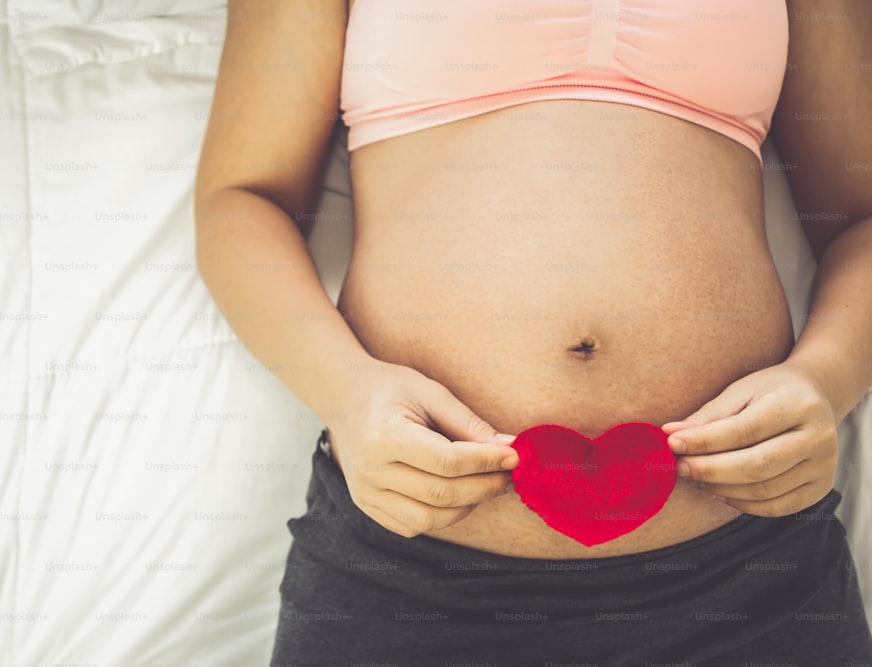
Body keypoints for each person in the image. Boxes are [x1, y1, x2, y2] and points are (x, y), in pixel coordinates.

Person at [194, 0, 872, 664]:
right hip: (407, 577)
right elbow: (244, 200)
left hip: (750, 575)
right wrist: (345, 391)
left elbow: (861, 216)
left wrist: (826, 378)